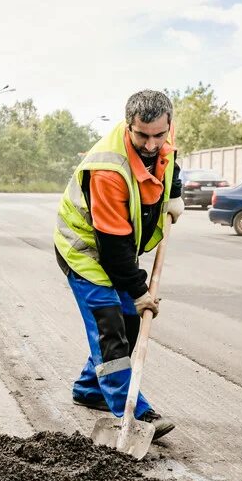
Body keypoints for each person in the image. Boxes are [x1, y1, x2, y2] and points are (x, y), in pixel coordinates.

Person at [53, 89, 184, 440]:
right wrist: (140, 292)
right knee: (111, 327)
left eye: (160, 135)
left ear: (168, 126)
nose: (152, 144)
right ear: (129, 125)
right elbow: (112, 249)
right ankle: (135, 411)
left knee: (131, 323)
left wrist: (174, 194)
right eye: (143, 135)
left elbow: (170, 164)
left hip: (119, 247)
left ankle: (89, 388)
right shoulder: (109, 170)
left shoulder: (161, 141)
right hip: (85, 251)